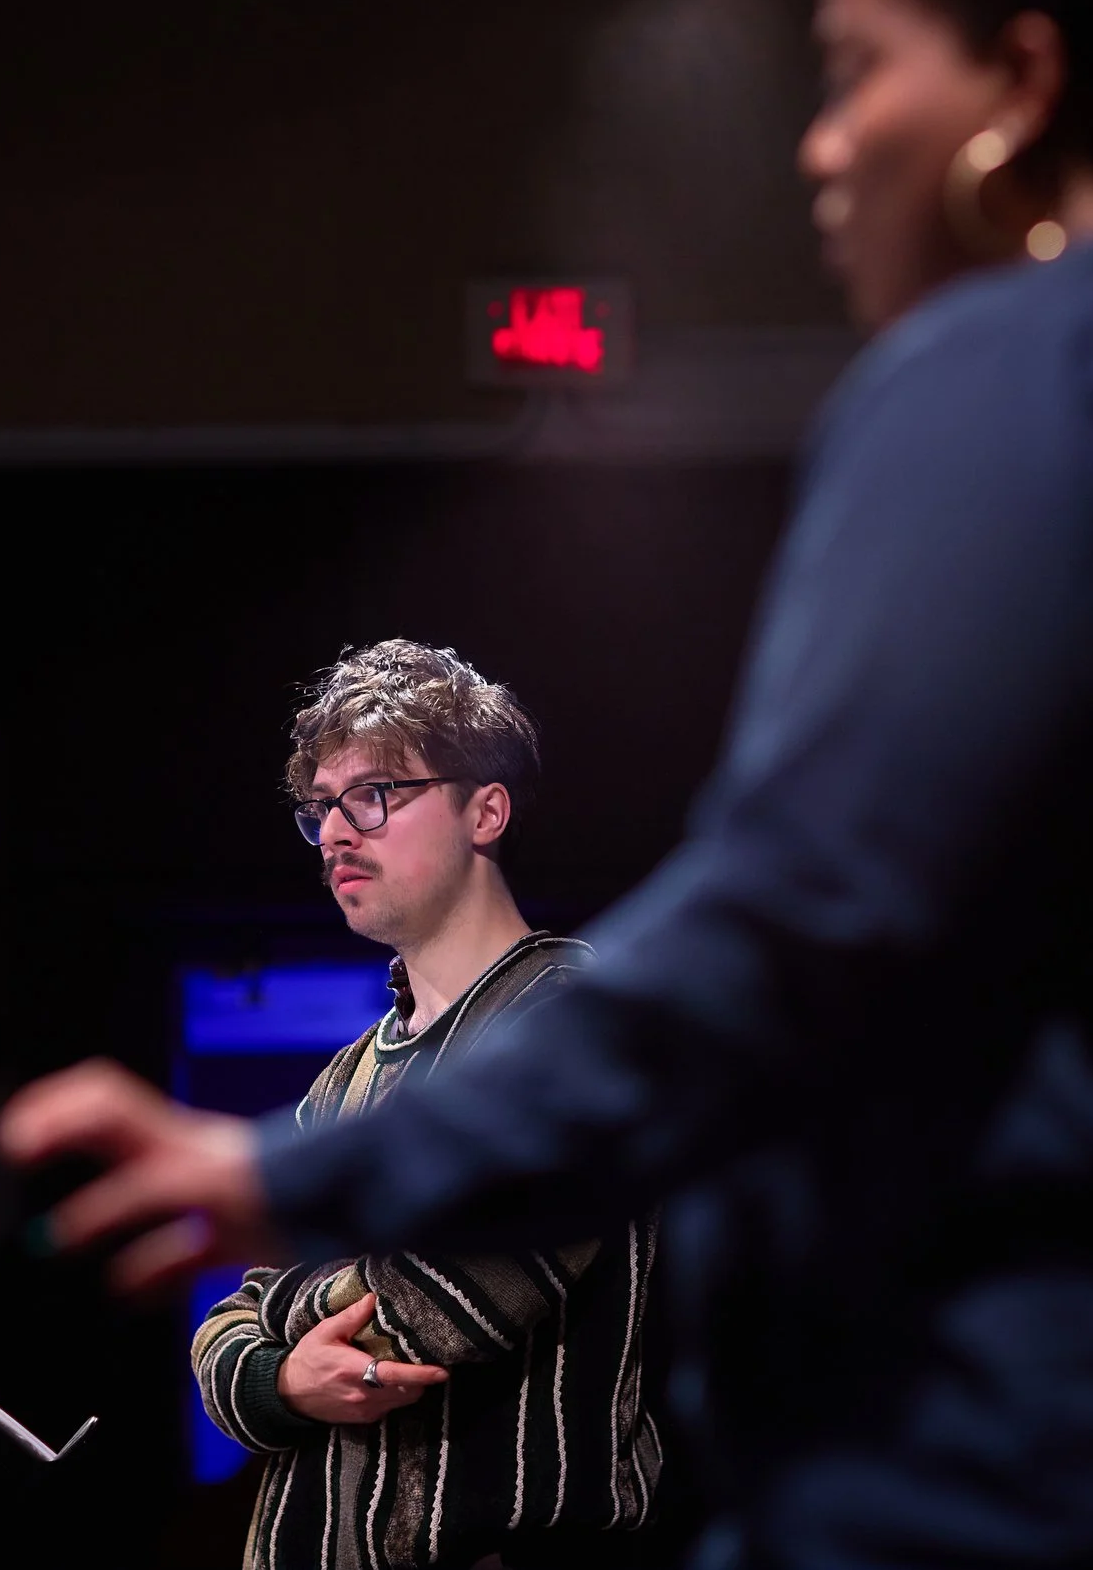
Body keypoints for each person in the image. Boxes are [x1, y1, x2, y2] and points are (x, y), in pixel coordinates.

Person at [4, 0, 1093, 1563]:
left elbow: (806, 921)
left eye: (854, 68)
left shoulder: (1033, 370)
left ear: (1022, 85)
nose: (821, 148)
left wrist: (275, 1170)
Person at [188, 640, 669, 1570]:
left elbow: (444, 1303)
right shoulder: (343, 1079)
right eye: (320, 809)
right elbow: (221, 1327)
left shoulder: (575, 1017)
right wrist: (282, 1376)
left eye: (372, 794)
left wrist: (286, 1313)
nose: (333, 832)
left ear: (485, 809)